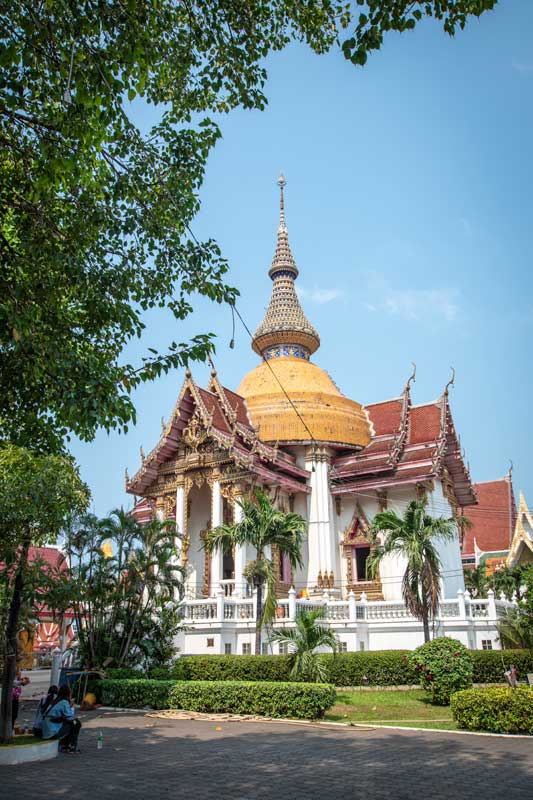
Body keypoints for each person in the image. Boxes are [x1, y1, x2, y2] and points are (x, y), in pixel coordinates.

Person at [42, 685, 82, 753]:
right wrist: (71, 707)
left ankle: (65, 745)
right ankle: (72, 747)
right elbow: (70, 716)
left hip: (47, 730)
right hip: (52, 732)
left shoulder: (56, 700)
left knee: (70, 723)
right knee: (76, 723)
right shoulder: (64, 702)